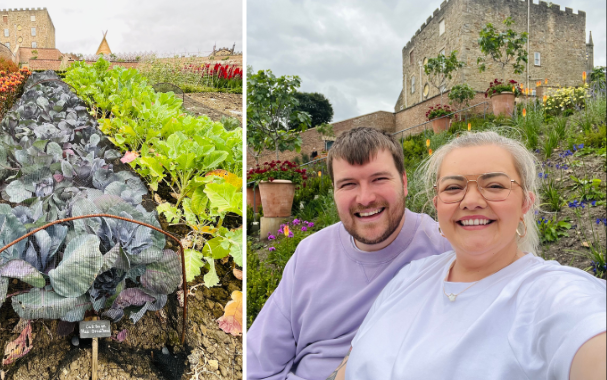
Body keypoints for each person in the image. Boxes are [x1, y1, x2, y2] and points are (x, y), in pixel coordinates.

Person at [329, 131, 606, 380]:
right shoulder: (410, 276)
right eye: (453, 188)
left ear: (525, 203)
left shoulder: (552, 295)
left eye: (495, 186)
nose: (471, 201)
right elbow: (351, 362)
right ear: (437, 205)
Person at [247, 127, 451, 380]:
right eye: (348, 184)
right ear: (333, 191)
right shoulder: (309, 253)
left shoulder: (444, 248)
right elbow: (257, 366)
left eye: (379, 179)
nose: (365, 198)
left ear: (404, 183)